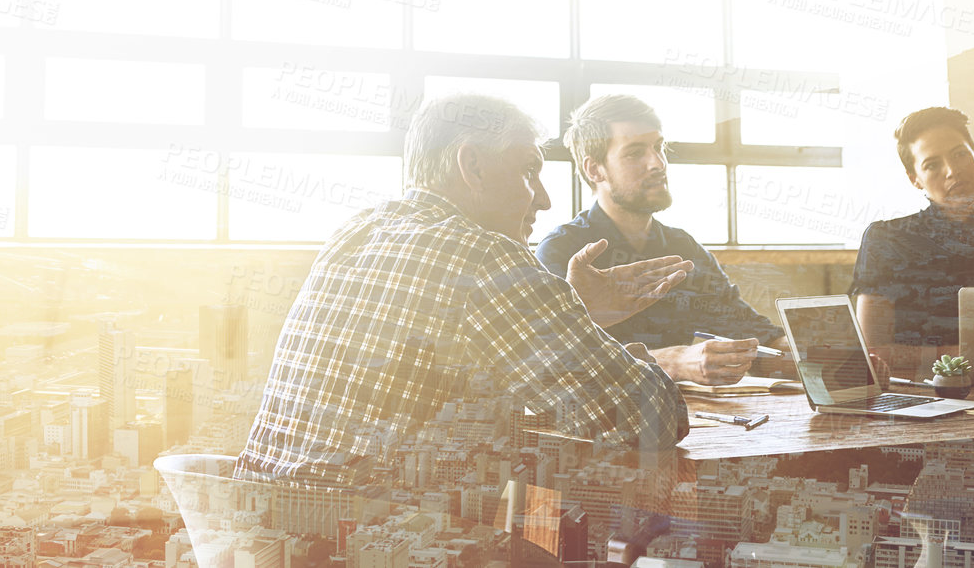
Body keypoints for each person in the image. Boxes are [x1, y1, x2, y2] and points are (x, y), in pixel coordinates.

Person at [237, 93, 695, 488]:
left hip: (250, 528)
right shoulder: (483, 258)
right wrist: (628, 351)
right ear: (472, 165)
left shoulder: (356, 230)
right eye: (529, 171)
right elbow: (649, 421)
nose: (543, 198)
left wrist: (575, 317)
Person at [536, 94, 791, 386]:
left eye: (658, 148)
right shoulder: (561, 252)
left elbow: (754, 336)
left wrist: (823, 354)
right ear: (595, 170)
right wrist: (674, 362)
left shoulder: (683, 248)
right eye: (634, 153)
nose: (657, 163)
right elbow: (555, 361)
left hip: (685, 421)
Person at [852, 106, 974, 379]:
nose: (952, 171)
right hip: (917, 396)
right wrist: (963, 356)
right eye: (932, 164)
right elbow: (873, 351)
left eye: (960, 154)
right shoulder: (886, 239)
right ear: (915, 179)